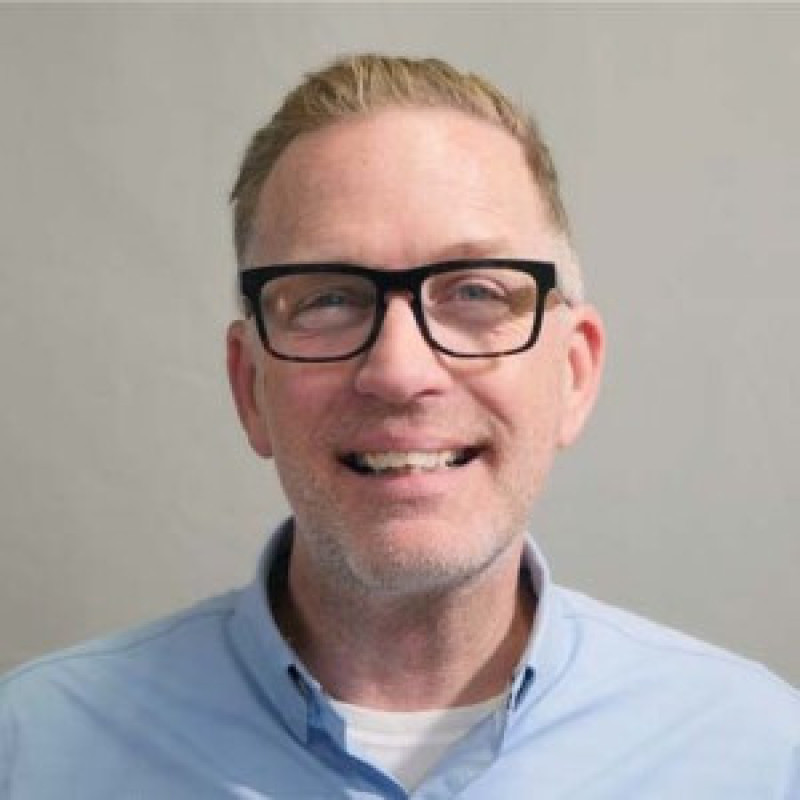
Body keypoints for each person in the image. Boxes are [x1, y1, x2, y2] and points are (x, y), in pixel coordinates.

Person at [1, 53, 798, 799]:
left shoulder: (761, 755)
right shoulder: (30, 750)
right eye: (328, 298)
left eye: (477, 292)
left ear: (573, 373)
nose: (399, 371)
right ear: (250, 387)